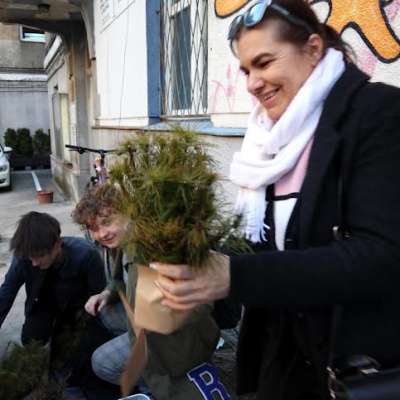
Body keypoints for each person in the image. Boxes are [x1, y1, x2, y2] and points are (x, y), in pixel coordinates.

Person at [152, 1, 400, 399]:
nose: (252, 82)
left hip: (353, 371)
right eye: (246, 70)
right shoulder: (265, 142)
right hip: (283, 367)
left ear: (314, 49)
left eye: (264, 63)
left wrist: (234, 276)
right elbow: (267, 247)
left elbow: (381, 257)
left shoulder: (376, 113)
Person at [72, 183, 236, 400]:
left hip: (179, 338)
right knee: (106, 313)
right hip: (146, 322)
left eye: (107, 222)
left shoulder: (155, 248)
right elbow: (119, 279)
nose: (101, 233)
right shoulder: (121, 242)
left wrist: (162, 317)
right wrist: (107, 292)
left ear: (127, 213)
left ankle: (152, 385)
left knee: (102, 363)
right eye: (93, 227)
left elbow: (203, 302)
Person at [0, 211, 107, 386]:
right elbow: (6, 294)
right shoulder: (23, 256)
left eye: (40, 256)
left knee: (70, 364)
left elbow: (100, 296)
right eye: (30, 258)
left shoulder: (87, 255)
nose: (34, 263)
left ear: (58, 243)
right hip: (42, 302)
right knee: (31, 338)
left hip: (77, 308)